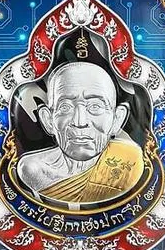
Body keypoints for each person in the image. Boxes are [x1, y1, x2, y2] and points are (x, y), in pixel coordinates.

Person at [16, 59, 145, 206]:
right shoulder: (32, 169)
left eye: (95, 107)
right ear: (47, 119)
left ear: (117, 119)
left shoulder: (130, 162)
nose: (79, 122)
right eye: (65, 107)